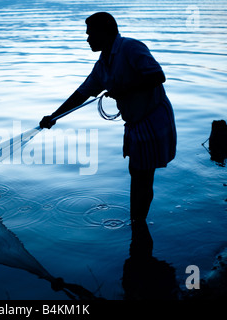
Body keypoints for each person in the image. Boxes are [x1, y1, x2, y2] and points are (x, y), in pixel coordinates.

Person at [39, 12, 176, 222]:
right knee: (137, 174)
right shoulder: (103, 64)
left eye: (90, 34)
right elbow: (81, 93)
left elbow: (158, 76)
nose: (87, 39)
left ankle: (138, 226)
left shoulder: (131, 48)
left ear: (104, 33)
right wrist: (55, 116)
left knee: (142, 176)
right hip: (134, 122)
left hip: (152, 118)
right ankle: (137, 224)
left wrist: (124, 90)